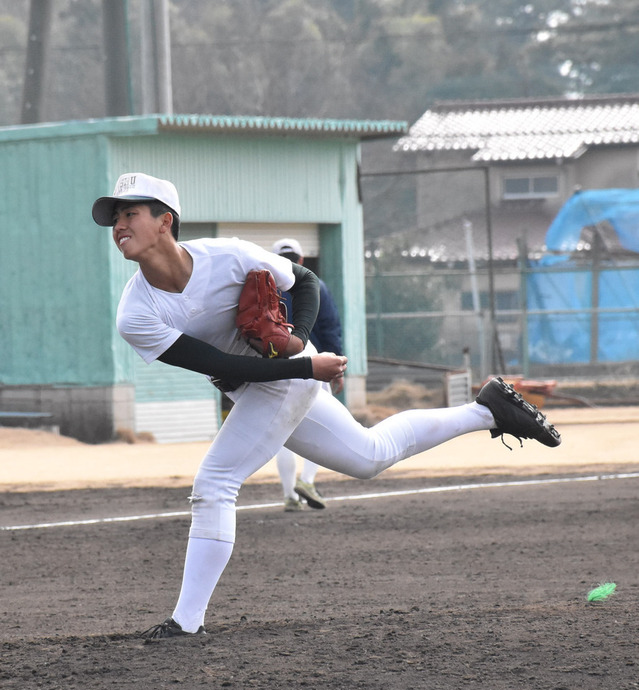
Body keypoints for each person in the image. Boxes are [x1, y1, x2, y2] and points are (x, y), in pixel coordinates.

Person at [91, 172, 561, 640]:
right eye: (115, 217)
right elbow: (214, 361)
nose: (119, 225)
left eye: (129, 213)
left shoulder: (228, 254)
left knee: (214, 483)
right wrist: (303, 367)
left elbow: (305, 281)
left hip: (287, 371)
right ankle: (489, 410)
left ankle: (185, 623)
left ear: (165, 221)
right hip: (269, 378)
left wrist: (299, 343)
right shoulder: (136, 314)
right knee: (368, 456)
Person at [271, 237, 344, 512]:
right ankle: (308, 481)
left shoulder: (267, 287)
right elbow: (330, 327)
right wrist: (336, 366)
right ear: (301, 260)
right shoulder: (315, 285)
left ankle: (290, 495)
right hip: (315, 365)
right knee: (323, 428)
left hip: (278, 368)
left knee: (284, 434)